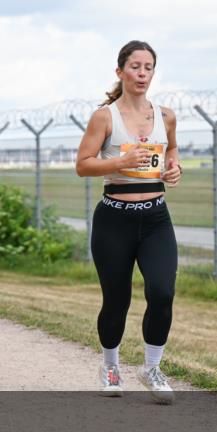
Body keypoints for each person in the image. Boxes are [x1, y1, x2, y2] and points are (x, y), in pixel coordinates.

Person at [74, 40, 183, 404]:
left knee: (162, 292)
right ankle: (110, 366)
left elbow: (172, 149)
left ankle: (152, 368)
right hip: (114, 219)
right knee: (117, 299)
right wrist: (118, 164)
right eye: (135, 66)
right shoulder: (105, 116)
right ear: (120, 71)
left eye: (148, 67)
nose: (142, 73)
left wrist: (174, 168)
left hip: (155, 218)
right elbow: (83, 165)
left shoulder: (165, 115)